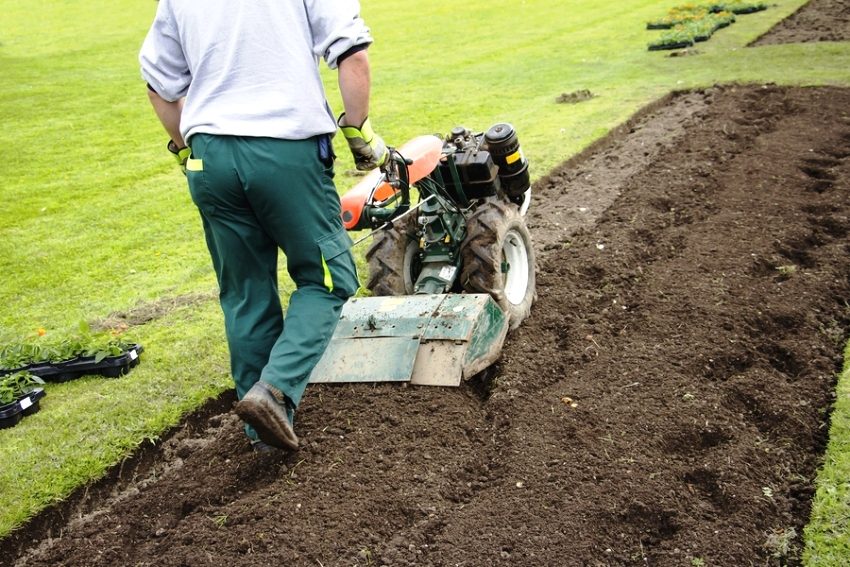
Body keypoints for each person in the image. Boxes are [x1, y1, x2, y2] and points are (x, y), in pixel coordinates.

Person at [139, 0, 387, 452]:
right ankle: (274, 391)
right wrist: (358, 131)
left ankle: (263, 437)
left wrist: (182, 149)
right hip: (286, 151)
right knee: (328, 279)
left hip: (208, 155)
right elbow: (351, 52)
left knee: (245, 293)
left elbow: (159, 84)